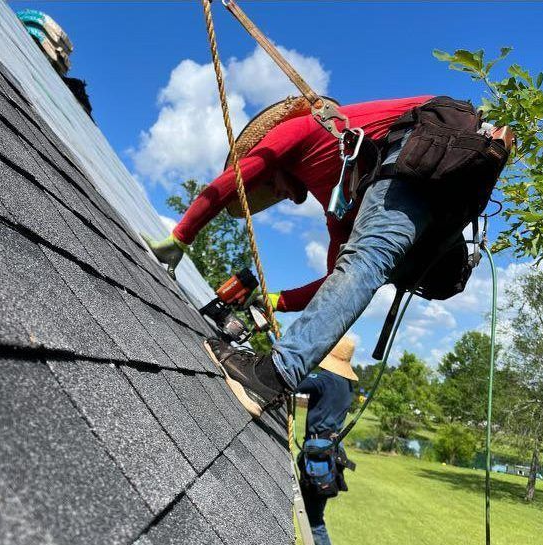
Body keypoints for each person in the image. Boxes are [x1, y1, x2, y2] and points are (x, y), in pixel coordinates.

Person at [144, 95, 509, 417]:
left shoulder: (303, 130)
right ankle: (279, 369)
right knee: (366, 262)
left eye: (272, 185)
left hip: (430, 141)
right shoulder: (344, 201)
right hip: (452, 174)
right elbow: (337, 278)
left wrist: (180, 237)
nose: (281, 195)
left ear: (276, 166)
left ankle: (273, 375)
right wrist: (274, 301)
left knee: (367, 259)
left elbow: (231, 181)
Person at [296, 336, 357, 545]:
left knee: (314, 521)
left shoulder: (326, 379)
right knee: (311, 512)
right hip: (329, 452)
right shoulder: (346, 385)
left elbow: (296, 383)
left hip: (318, 454)